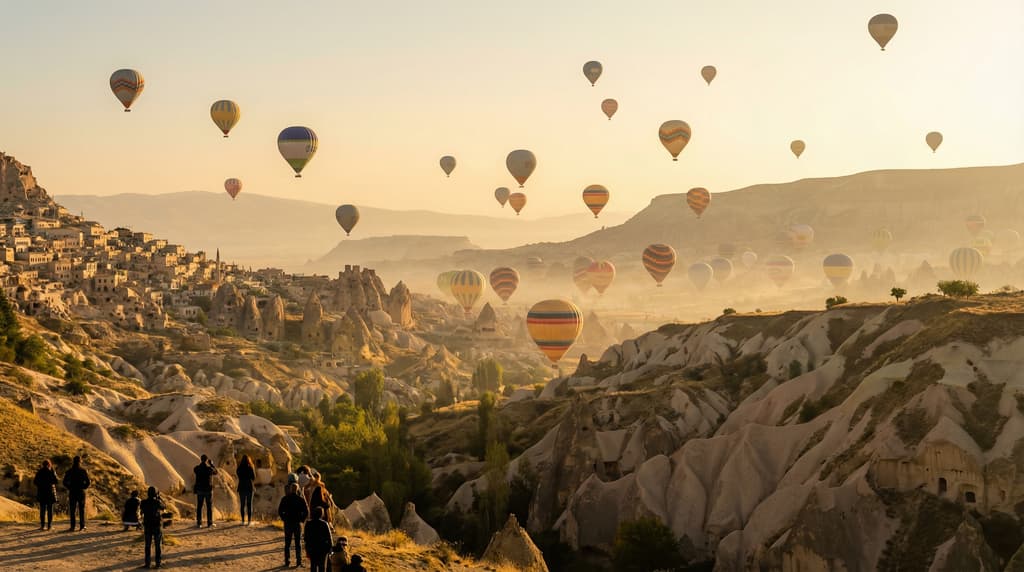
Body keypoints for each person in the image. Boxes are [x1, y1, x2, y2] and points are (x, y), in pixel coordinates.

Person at [278, 482, 309, 568]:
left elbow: (280, 511)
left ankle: (287, 561)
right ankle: (298, 562)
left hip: (288, 523)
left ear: (291, 489)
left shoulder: (285, 498)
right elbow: (306, 511)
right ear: (297, 489)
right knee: (298, 543)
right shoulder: (300, 500)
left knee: (287, 543)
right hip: (297, 523)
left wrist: (284, 519)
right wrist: (302, 520)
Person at [140, 486, 166, 569]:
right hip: (156, 526)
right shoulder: (157, 502)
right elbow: (164, 506)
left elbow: (142, 510)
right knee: (158, 545)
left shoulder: (143, 502)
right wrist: (159, 497)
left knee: (147, 545)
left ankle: (147, 563)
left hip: (147, 526)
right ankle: (158, 563)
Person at [63, 456, 90, 531]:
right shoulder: (83, 471)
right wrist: (84, 487)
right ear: (80, 461)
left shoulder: (69, 471)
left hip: (72, 492)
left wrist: (69, 487)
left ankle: (72, 526)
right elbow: (88, 482)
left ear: (73, 461)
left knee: (72, 509)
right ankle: (82, 526)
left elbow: (64, 482)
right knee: (81, 509)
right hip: (81, 492)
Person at [304, 506, 333, 572]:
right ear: (321, 514)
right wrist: (331, 548)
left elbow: (306, 538)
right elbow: (329, 537)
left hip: (312, 548)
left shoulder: (308, 524)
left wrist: (307, 547)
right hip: (323, 549)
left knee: (313, 566)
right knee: (322, 567)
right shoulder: (324, 524)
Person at [33, 459, 58, 531]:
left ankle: (42, 526)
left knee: (42, 510)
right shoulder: (52, 471)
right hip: (50, 492)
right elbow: (56, 481)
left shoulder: (39, 472)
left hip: (42, 492)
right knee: (50, 510)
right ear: (49, 464)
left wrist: (41, 485)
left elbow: (35, 482)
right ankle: (49, 526)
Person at [193, 454, 217, 528]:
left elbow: (195, 470)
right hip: (207, 490)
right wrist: (212, 464)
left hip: (200, 489)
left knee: (199, 506)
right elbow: (216, 472)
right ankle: (209, 523)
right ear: (206, 460)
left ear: (201, 459)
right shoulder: (209, 469)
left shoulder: (197, 468)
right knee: (209, 507)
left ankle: (199, 523)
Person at [236, 455, 256, 526]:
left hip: (241, 487)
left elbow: (238, 475)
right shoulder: (250, 467)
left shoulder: (239, 468)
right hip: (249, 487)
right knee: (249, 504)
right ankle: (249, 521)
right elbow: (253, 477)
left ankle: (243, 521)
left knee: (242, 504)